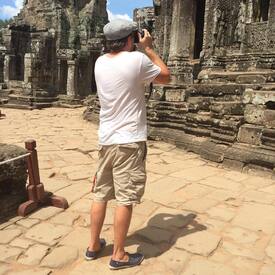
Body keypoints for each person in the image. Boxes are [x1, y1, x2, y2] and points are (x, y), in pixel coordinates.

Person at [86, 19, 170, 270]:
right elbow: (166, 76)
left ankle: (93, 246)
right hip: (129, 140)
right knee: (125, 197)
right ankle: (119, 254)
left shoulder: (99, 62)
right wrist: (150, 48)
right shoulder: (137, 60)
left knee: (100, 193)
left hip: (106, 138)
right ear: (130, 39)